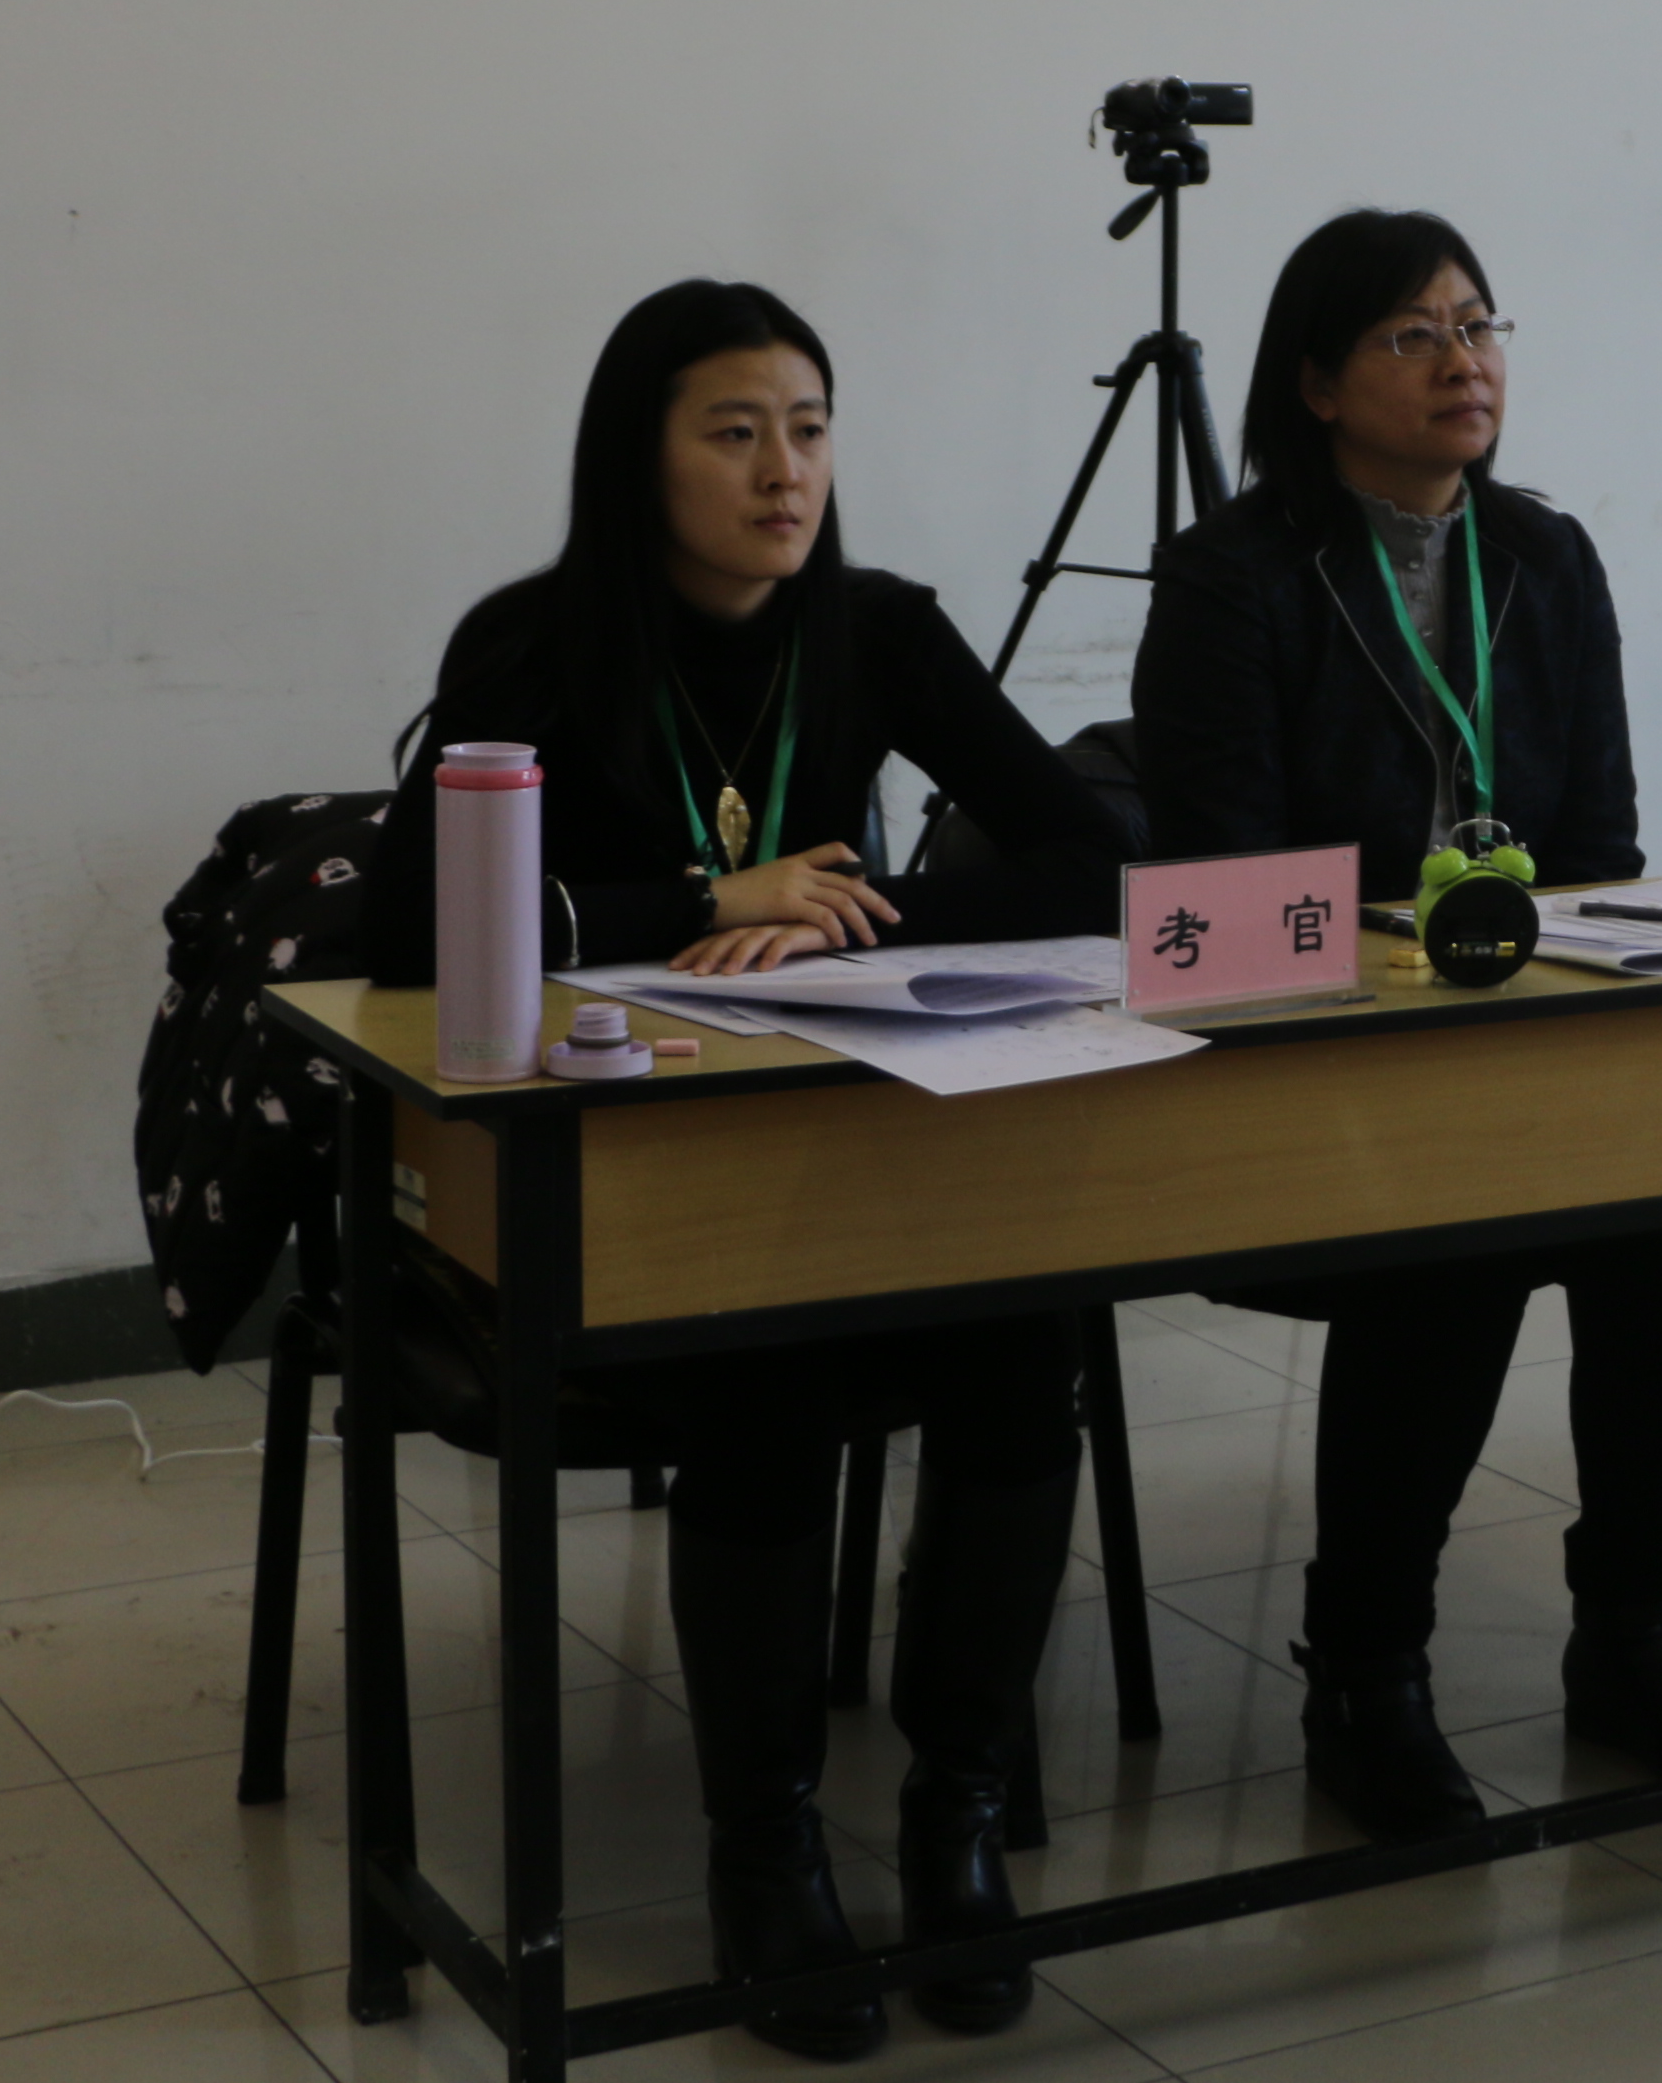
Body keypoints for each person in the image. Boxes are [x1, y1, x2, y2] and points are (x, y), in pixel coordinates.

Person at [383, 278, 1134, 2061]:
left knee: (1025, 1340)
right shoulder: (534, 648)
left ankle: (956, 1818)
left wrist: (850, 916)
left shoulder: (880, 630)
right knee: (767, 1368)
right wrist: (706, 900)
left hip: (852, 1135)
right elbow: (415, 925)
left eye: (807, 428)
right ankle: (766, 1846)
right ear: (637, 458)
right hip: (619, 1177)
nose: (784, 471)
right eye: (734, 433)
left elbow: (1087, 862)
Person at [1124, 207, 1662, 1841]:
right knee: (1455, 1231)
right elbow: (1224, 885)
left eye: (1478, 326)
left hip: (1518, 1040)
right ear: (1319, 382)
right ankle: (1365, 1672)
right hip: (1311, 1064)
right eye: (1414, 335)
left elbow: (1601, 848)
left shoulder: (1546, 556)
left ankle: (1633, 1632)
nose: (1464, 362)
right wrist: (1411, 954)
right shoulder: (1233, 576)